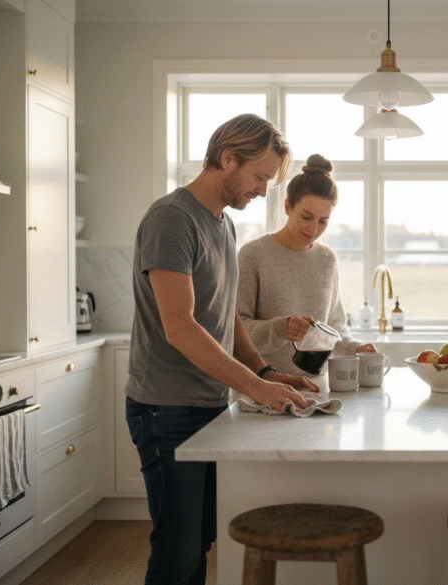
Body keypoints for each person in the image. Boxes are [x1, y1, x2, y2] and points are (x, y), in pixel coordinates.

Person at [124, 113, 318, 585]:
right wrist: (254, 387)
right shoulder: (172, 219)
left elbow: (224, 314)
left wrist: (265, 373)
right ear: (228, 158)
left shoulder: (221, 224)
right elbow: (181, 328)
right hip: (165, 410)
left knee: (200, 543)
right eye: (259, 177)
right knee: (176, 552)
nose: (263, 190)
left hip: (208, 405)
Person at [237, 153, 376, 382]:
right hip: (263, 386)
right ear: (288, 206)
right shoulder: (253, 255)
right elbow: (237, 330)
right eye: (307, 217)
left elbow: (333, 325)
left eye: (323, 221)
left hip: (315, 386)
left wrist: (355, 349)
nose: (313, 229)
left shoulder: (327, 259)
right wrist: (281, 328)